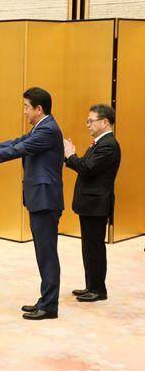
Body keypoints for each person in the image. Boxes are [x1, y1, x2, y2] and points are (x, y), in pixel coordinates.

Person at [0, 87, 64, 320]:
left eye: (26, 107)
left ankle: (49, 306)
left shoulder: (48, 130)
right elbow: (15, 141)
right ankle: (45, 299)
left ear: (38, 109)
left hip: (45, 199)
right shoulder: (41, 126)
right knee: (43, 252)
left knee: (47, 253)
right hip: (39, 198)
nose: (24, 112)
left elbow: (20, 149)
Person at [64, 104, 121, 302]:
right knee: (89, 247)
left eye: (91, 121)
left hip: (96, 205)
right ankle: (91, 286)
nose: (87, 124)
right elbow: (86, 165)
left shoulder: (108, 145)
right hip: (90, 204)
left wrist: (70, 155)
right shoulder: (99, 143)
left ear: (104, 122)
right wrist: (73, 156)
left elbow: (86, 167)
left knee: (95, 248)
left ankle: (98, 289)